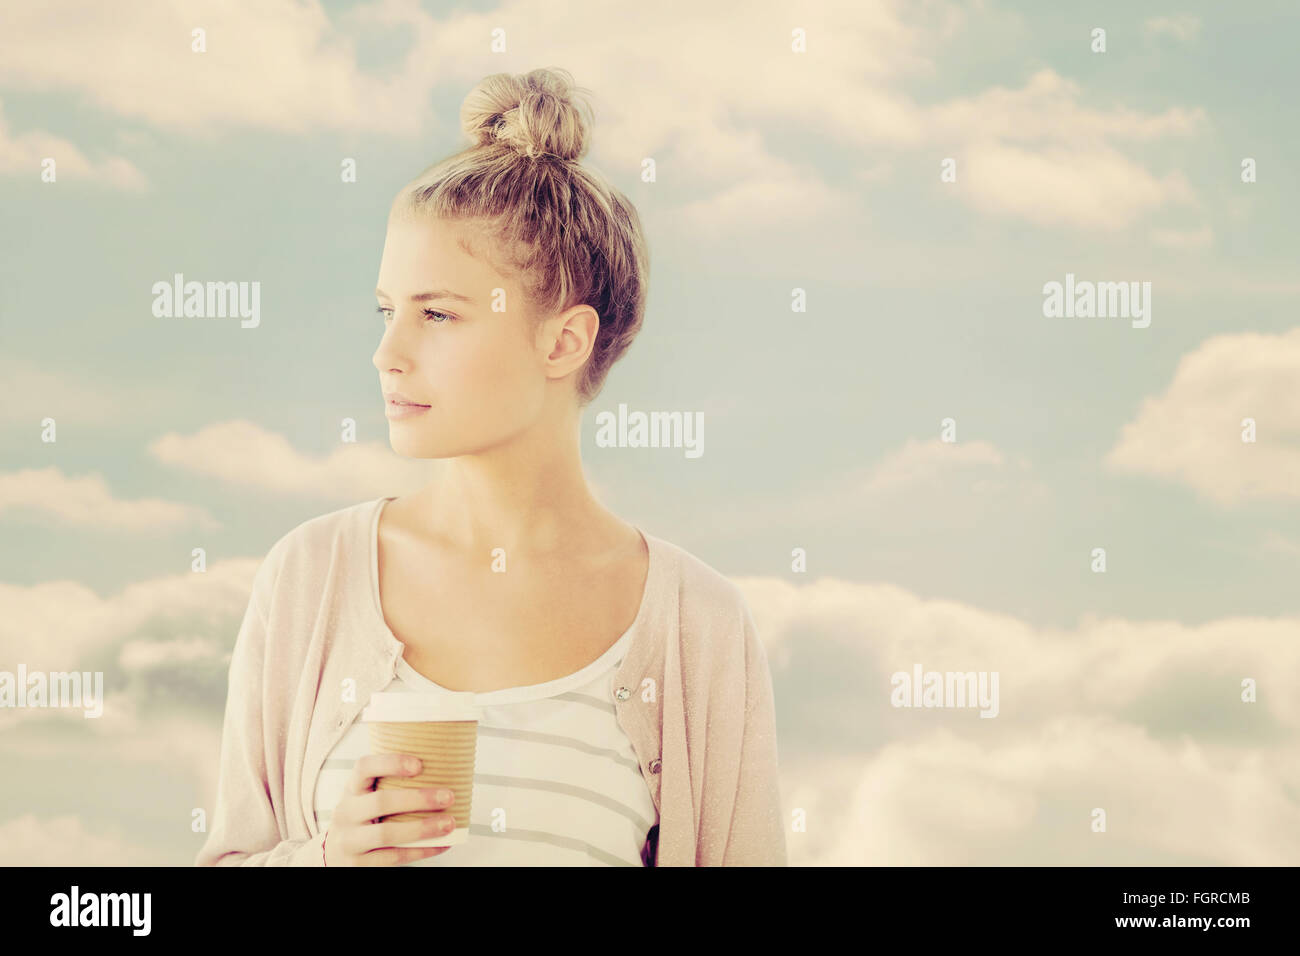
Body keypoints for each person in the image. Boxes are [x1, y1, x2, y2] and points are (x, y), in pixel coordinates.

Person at [196, 67, 786, 867]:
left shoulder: (696, 629)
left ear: (563, 341)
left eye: (437, 314)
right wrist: (326, 861)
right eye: (387, 311)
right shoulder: (311, 579)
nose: (387, 355)